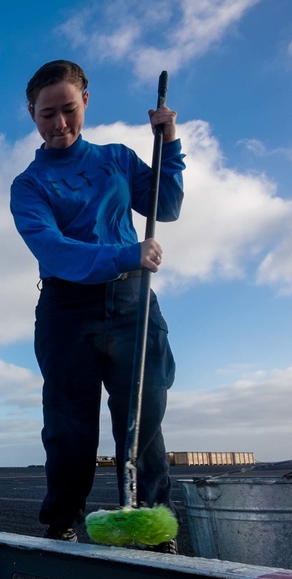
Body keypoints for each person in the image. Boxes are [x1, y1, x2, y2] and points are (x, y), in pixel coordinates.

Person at [10, 60, 185, 549]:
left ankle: (153, 526)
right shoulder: (28, 186)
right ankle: (63, 522)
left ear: (85, 101)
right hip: (68, 309)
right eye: (47, 114)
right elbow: (54, 250)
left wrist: (169, 139)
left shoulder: (118, 159)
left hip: (133, 303)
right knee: (69, 424)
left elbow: (165, 206)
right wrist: (128, 252)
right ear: (31, 113)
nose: (59, 123)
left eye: (68, 109)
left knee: (143, 419)